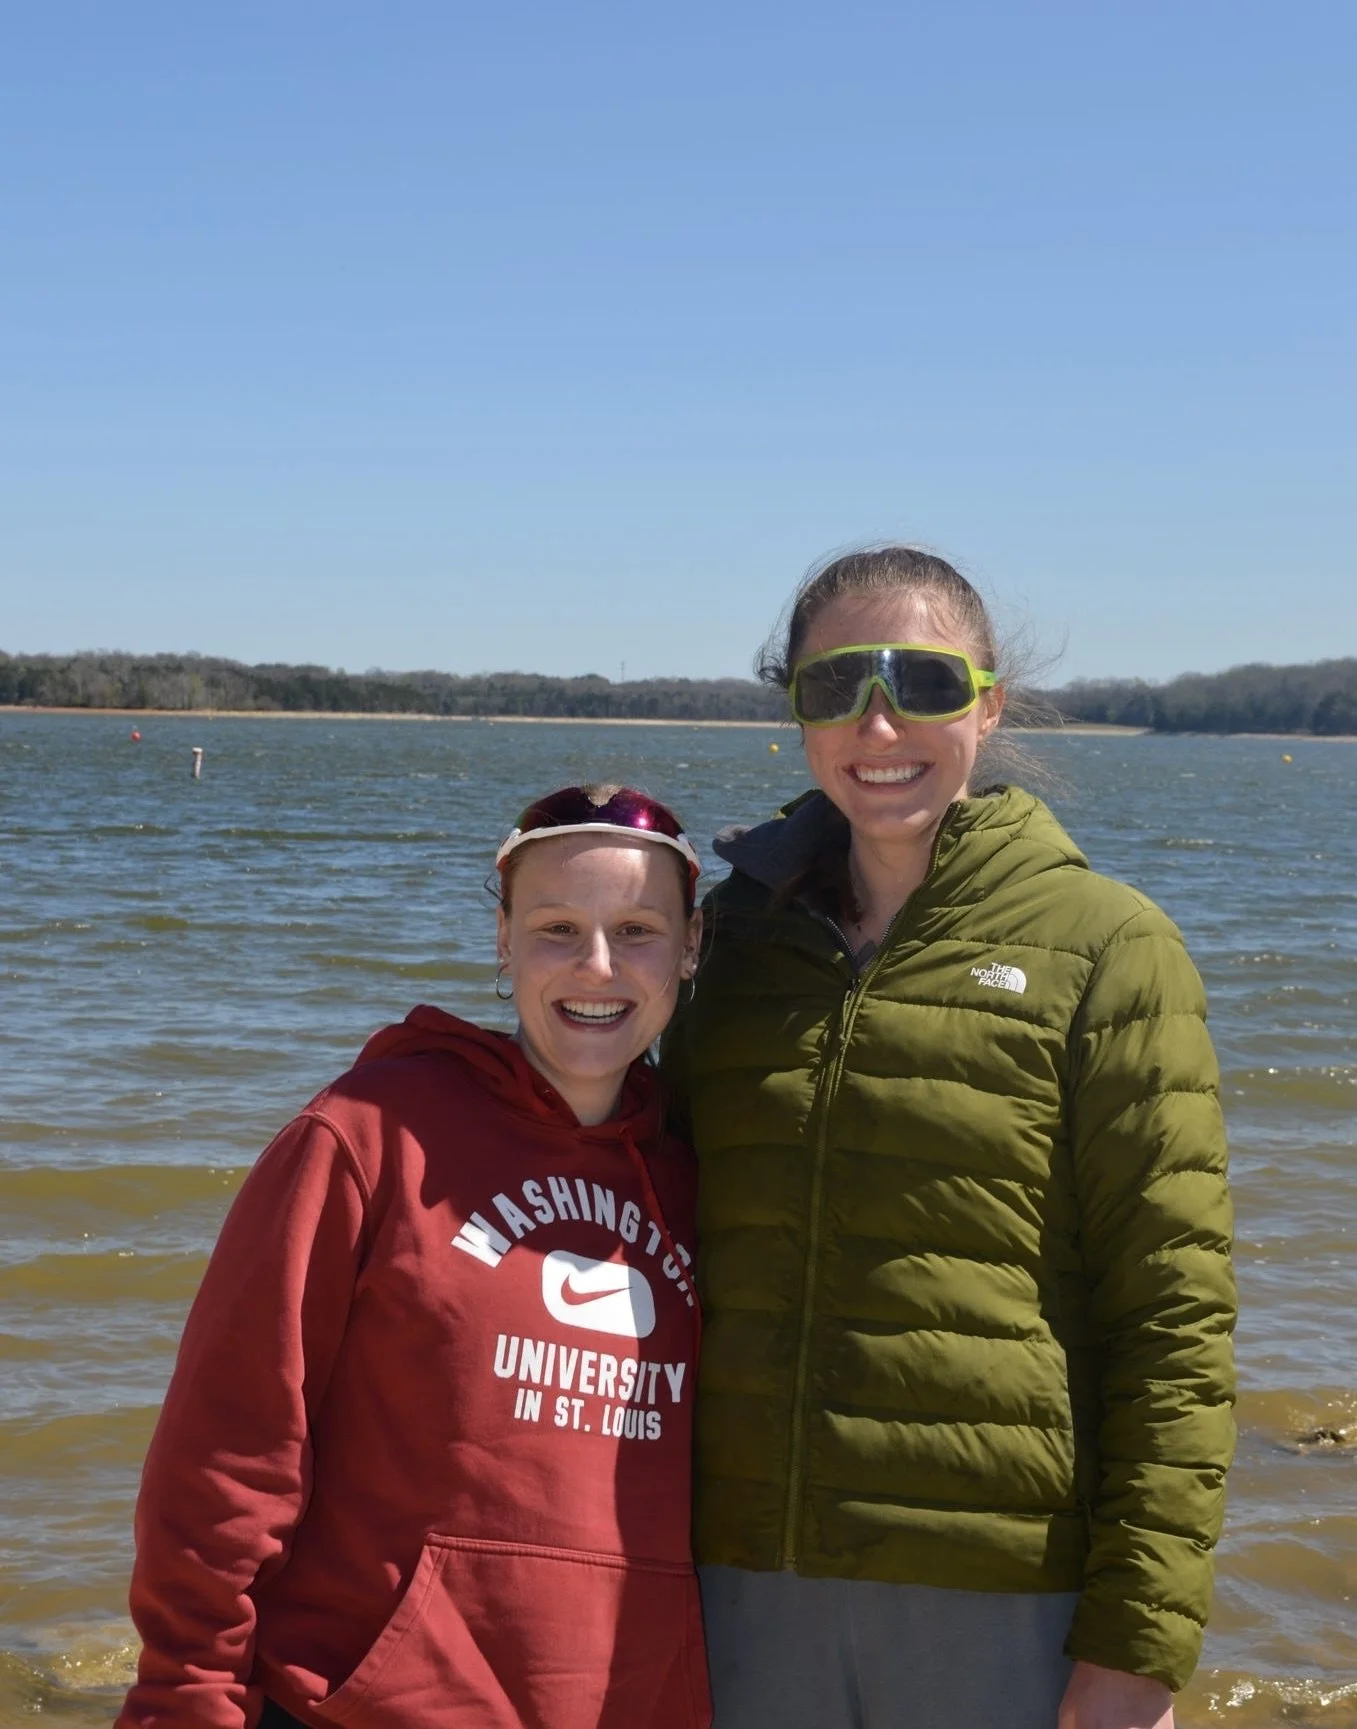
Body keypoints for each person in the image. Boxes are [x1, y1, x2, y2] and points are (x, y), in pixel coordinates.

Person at [663, 548, 1236, 1729]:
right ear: (796, 713)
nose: (878, 722)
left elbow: (1171, 1318)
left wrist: (1139, 1638)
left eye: (920, 680)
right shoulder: (727, 939)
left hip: (998, 1596)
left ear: (988, 700)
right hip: (735, 1582)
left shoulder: (1109, 945)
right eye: (835, 686)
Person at [117, 785, 712, 1729]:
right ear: (502, 941)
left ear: (689, 948)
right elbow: (229, 1450)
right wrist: (185, 1696)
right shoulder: (366, 1135)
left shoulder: (699, 1179)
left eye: (637, 929)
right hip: (366, 1706)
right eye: (557, 926)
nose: (597, 966)